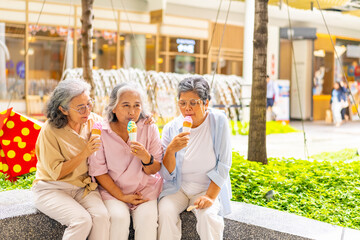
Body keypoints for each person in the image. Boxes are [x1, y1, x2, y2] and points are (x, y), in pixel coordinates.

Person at [32, 79, 110, 240]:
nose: (87, 110)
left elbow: (116, 128)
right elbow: (57, 173)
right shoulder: (50, 131)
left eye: (89, 104)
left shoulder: (93, 121)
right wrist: (85, 152)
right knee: (81, 220)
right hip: (51, 188)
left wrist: (144, 120)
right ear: (64, 109)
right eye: (81, 107)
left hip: (83, 187)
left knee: (102, 217)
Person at [158, 76, 232, 240]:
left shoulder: (218, 121)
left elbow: (224, 164)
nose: (187, 108)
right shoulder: (171, 128)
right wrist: (171, 150)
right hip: (179, 188)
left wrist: (210, 196)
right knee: (165, 211)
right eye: (182, 103)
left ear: (206, 103)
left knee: (207, 217)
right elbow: (166, 174)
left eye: (193, 103)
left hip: (207, 188)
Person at [88, 82, 163, 240]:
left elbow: (155, 169)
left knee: (148, 221)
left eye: (137, 105)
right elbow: (99, 172)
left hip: (144, 191)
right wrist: (122, 196)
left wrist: (146, 157)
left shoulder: (149, 128)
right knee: (118, 219)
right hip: (114, 192)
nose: (132, 111)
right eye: (126, 105)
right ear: (114, 108)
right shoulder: (101, 131)